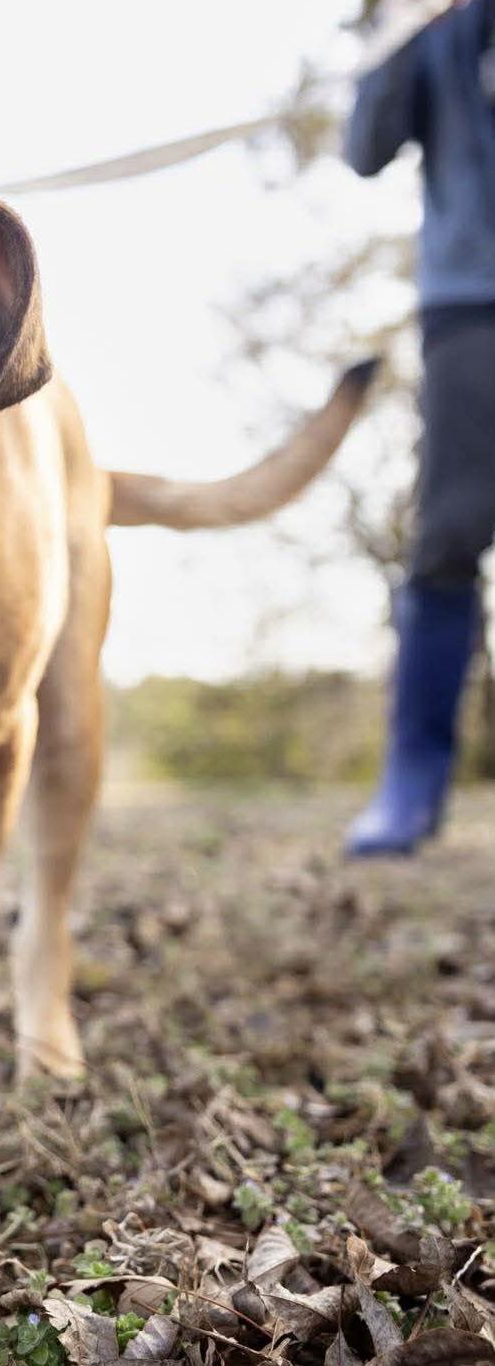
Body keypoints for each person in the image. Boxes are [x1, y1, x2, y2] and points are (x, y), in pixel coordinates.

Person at [343, 0, 495, 856]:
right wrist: (397, 28)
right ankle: (412, 784)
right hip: (470, 299)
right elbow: (367, 147)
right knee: (447, 535)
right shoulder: (431, 26)